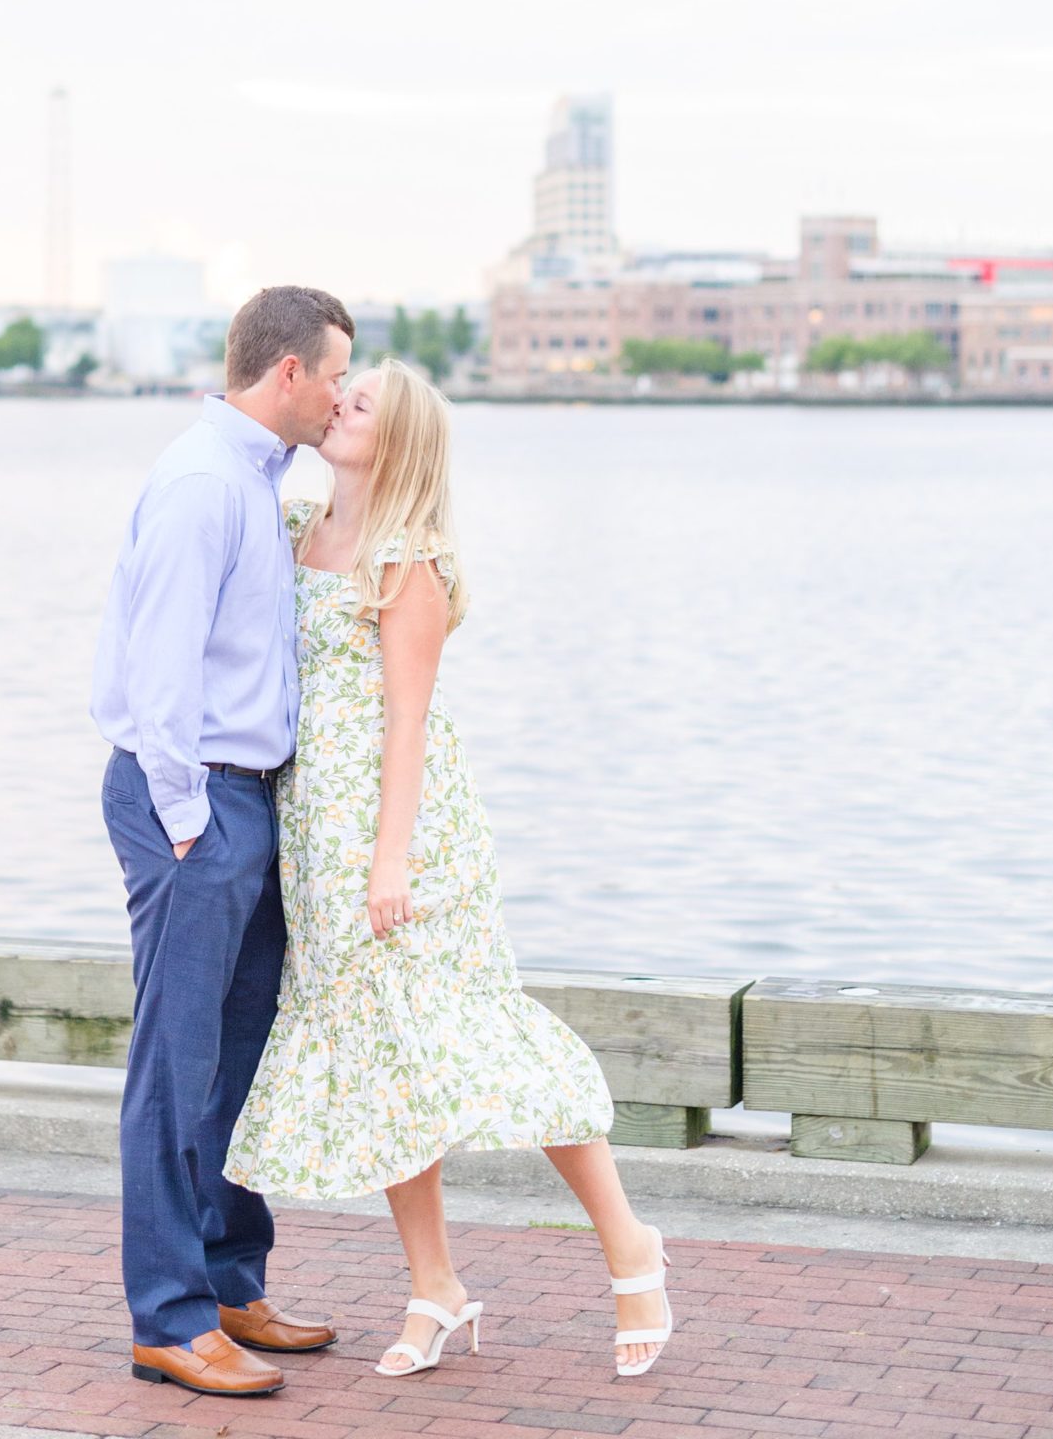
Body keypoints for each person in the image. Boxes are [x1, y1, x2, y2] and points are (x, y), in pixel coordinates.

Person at [225, 357, 675, 1381]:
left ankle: (628, 1244)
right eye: (340, 390)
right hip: (312, 833)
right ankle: (435, 1286)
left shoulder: (407, 556)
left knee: (475, 1036)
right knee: (387, 1066)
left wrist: (390, 858)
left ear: (400, 439)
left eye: (362, 400)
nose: (339, 402)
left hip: (405, 838)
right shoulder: (297, 530)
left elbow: (408, 721)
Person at [90, 284, 355, 1398]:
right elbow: (158, 676)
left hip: (246, 800)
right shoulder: (205, 484)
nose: (343, 393)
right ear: (286, 372)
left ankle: (231, 1283)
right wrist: (191, 823)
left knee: (237, 1059)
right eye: (336, 372)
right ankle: (168, 1317)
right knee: (175, 1063)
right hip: (192, 800)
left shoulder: (256, 480)